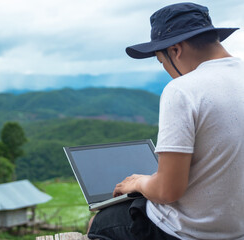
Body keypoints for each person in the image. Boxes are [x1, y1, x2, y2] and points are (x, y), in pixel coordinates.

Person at [87, 2, 244, 240]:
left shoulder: (182, 90)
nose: (167, 71)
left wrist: (139, 182)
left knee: (103, 222)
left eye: (162, 62)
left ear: (175, 50)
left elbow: (167, 191)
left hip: (189, 233)